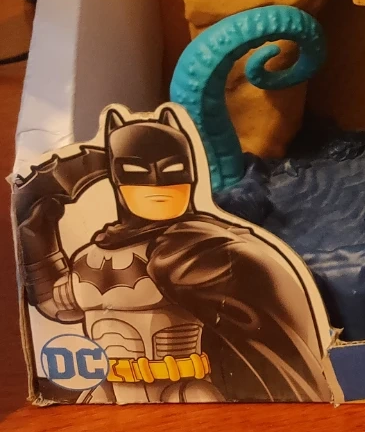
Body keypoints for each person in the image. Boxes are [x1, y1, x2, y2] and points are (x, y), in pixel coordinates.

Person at [15, 107, 332, 402]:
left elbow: (257, 304)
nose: (157, 185)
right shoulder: (90, 257)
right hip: (108, 392)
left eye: (173, 171)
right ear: (117, 177)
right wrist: (38, 237)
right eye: (137, 172)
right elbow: (58, 305)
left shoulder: (197, 247)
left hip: (182, 391)